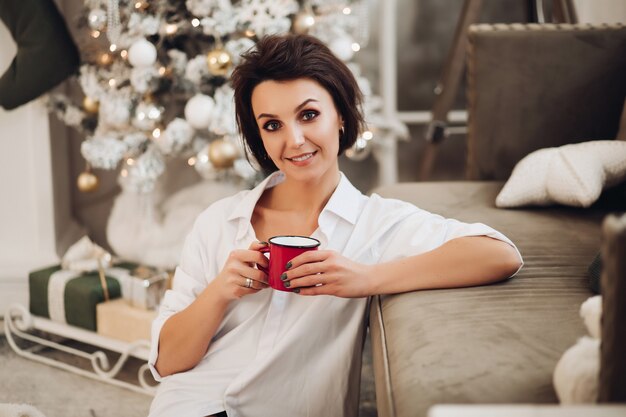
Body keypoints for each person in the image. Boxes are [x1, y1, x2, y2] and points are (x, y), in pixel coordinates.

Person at [147, 34, 523, 417]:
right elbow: (166, 363)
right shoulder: (218, 222)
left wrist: (366, 279)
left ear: (340, 115)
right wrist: (219, 292)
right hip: (190, 405)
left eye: (308, 115)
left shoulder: (376, 224)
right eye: (272, 125)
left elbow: (499, 253)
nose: (294, 141)